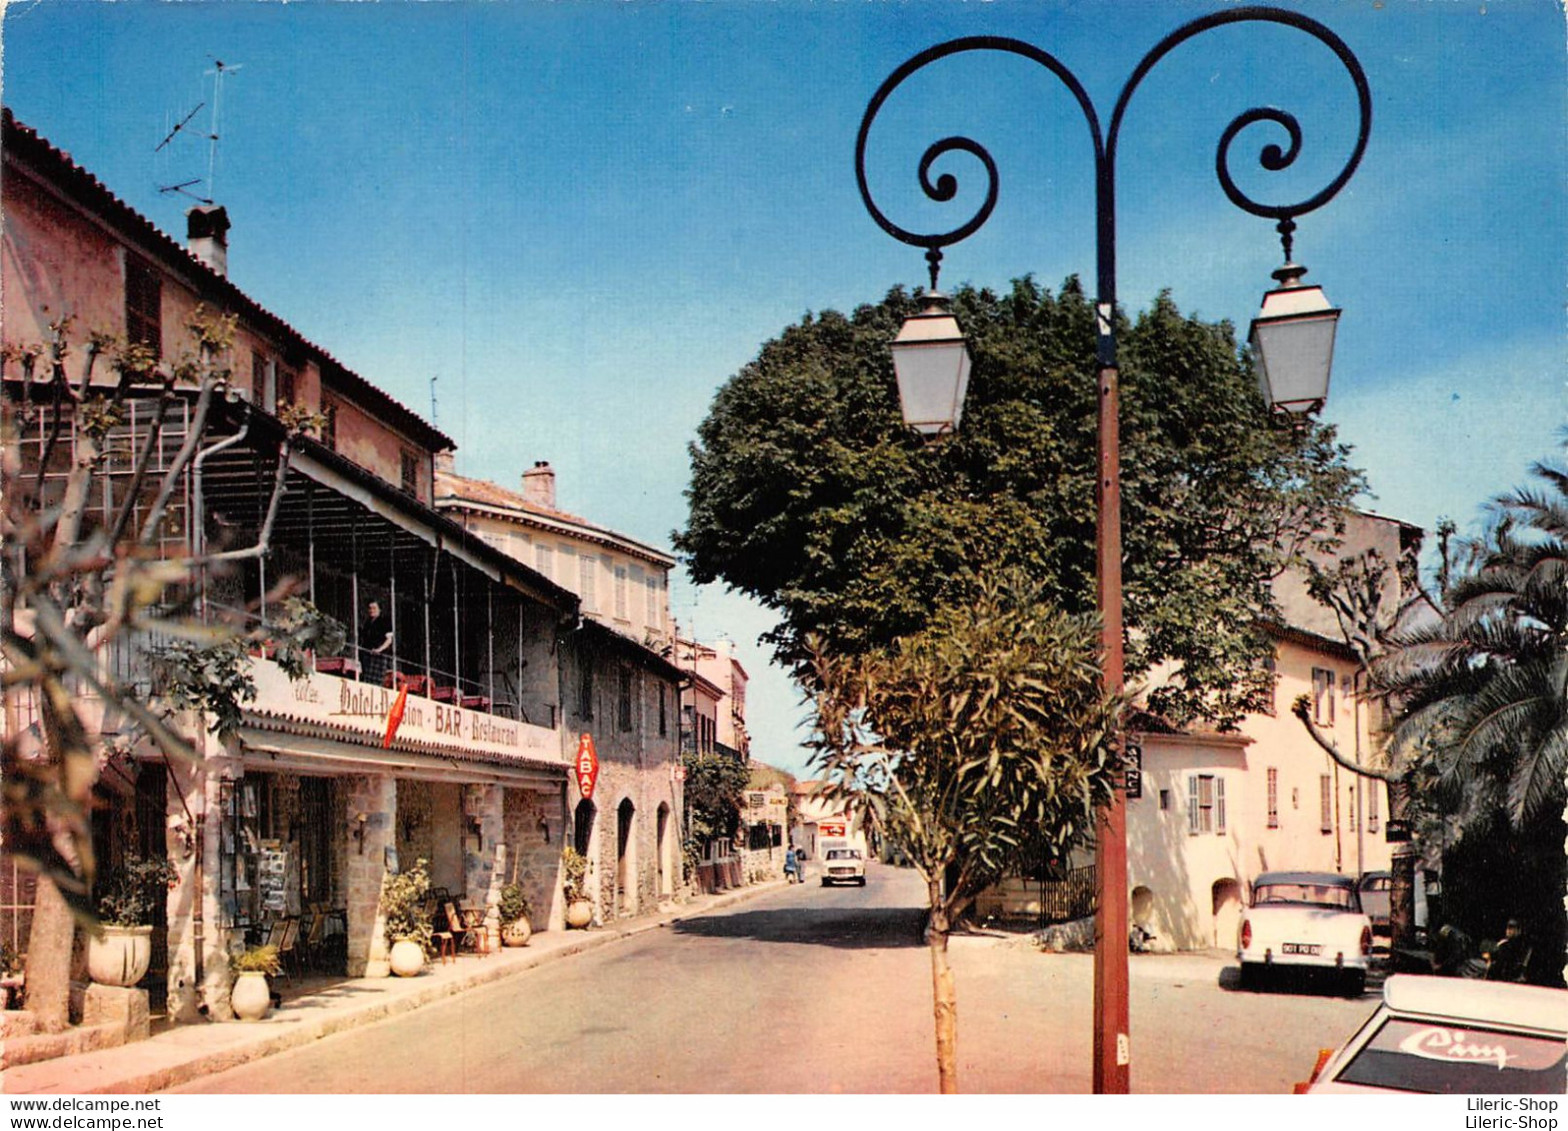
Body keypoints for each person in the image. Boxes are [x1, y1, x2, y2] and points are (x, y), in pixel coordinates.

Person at [1485, 919, 1532, 983]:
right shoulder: (1503, 944)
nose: (1508, 931)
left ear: (1518, 930)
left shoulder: (1523, 945)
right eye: (1508, 928)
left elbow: (1522, 963)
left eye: (1511, 928)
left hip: (1514, 975)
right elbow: (1492, 958)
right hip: (1501, 976)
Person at [360, 600, 393, 686]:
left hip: (379, 656)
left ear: (379, 610)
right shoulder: (367, 623)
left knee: (376, 681)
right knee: (366, 679)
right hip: (367, 655)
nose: (371, 610)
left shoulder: (384, 621)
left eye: (374, 608)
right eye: (370, 608)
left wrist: (379, 650)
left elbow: (389, 640)